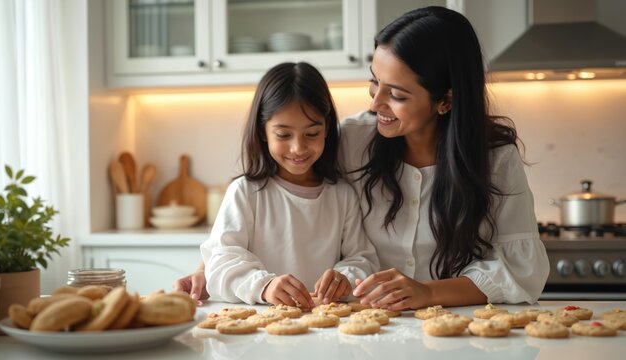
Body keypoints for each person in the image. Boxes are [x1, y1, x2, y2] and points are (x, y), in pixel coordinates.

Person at [174, 6, 549, 310]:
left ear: (445, 99)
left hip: (460, 329)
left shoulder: (494, 160)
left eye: (397, 94)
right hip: (369, 330)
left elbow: (522, 270)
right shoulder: (354, 139)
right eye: (374, 81)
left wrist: (429, 292)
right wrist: (211, 269)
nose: (375, 103)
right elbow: (280, 189)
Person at [199, 62, 379, 308]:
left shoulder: (342, 195)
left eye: (312, 134)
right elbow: (221, 262)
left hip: (326, 329)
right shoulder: (246, 192)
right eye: (283, 135)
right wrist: (264, 286)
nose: (298, 148)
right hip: (260, 326)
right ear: (263, 132)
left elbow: (362, 258)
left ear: (326, 129)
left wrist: (345, 278)